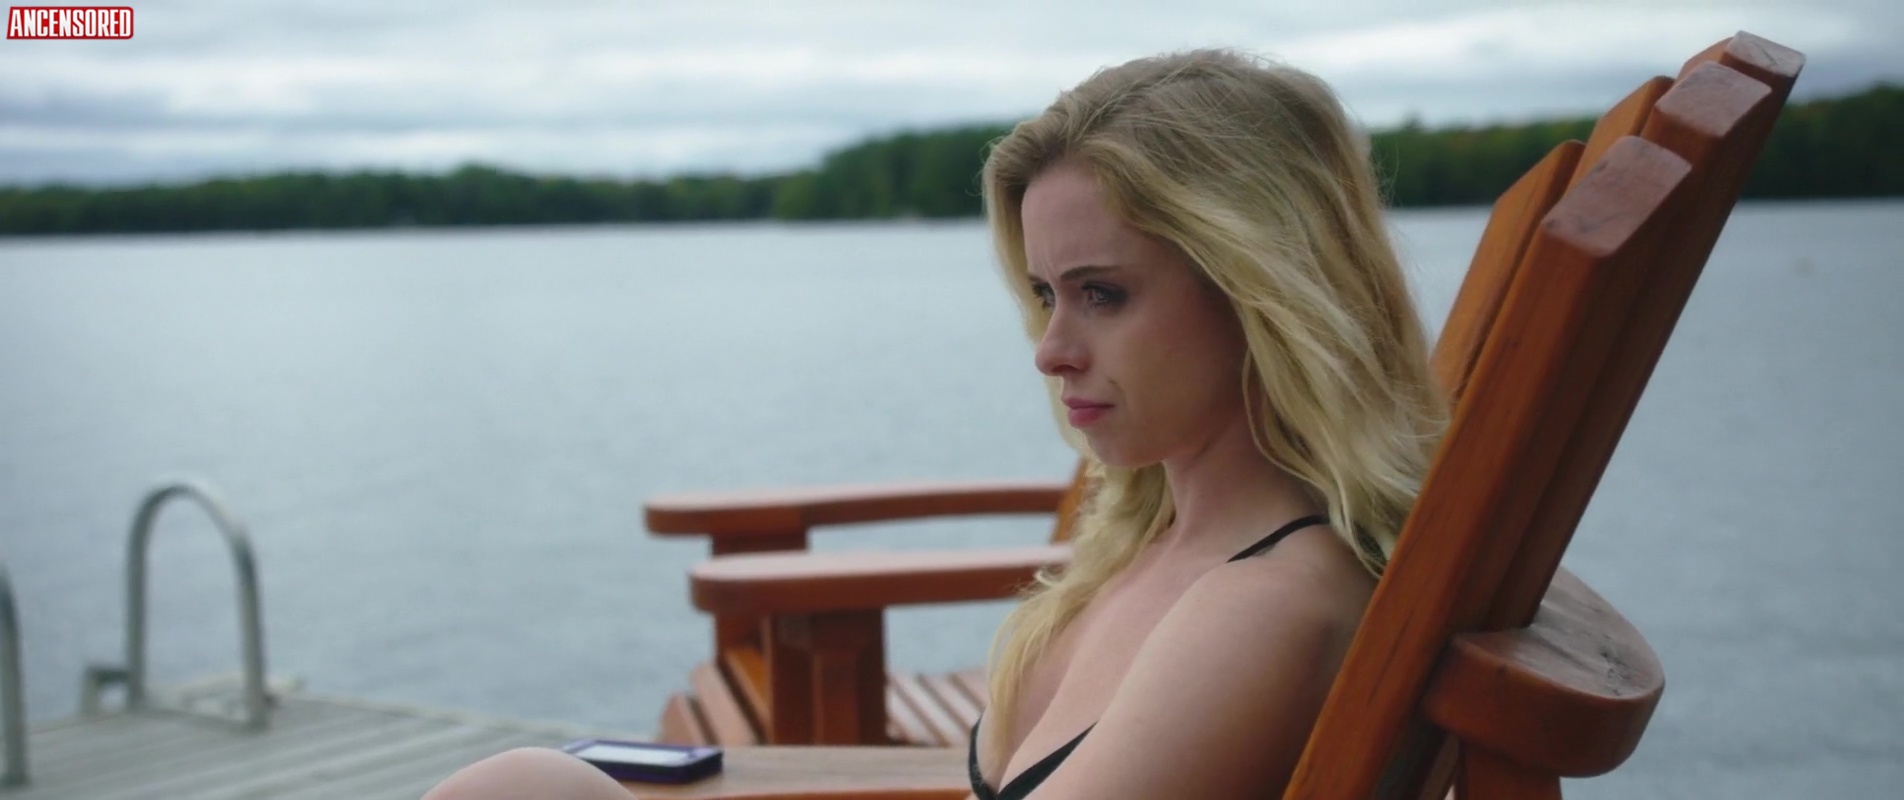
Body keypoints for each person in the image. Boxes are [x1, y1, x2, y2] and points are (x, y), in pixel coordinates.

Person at [424, 47, 1444, 800]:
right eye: (1044, 294)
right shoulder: (1160, 545)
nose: (1050, 349)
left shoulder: (1262, 608)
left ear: (1262, 292)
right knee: (519, 784)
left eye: (1102, 294)